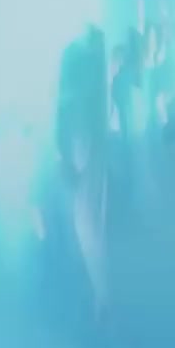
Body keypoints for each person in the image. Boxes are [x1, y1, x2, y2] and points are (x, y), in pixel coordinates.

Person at [55, 24, 111, 322]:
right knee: (91, 228)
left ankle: (101, 301)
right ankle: (99, 298)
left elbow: (70, 131)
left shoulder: (73, 100)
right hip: (90, 154)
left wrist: (68, 160)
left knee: (87, 229)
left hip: (82, 156)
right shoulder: (93, 98)